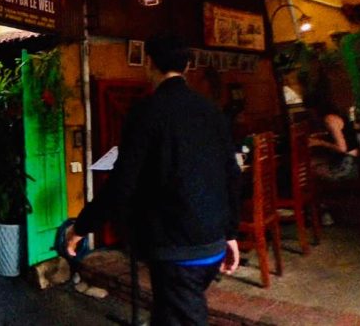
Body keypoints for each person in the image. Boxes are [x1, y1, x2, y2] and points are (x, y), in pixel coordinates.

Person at [65, 33, 241, 326]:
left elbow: (123, 184)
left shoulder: (146, 112)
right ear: (187, 66)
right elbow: (232, 175)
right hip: (213, 245)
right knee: (169, 312)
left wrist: (82, 227)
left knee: (182, 316)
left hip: (176, 250)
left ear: (149, 64)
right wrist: (231, 233)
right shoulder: (212, 111)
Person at [308, 98, 360, 184]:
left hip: (347, 166)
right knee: (314, 165)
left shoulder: (329, 119)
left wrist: (319, 143)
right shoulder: (338, 116)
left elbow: (342, 148)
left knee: (311, 172)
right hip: (353, 162)